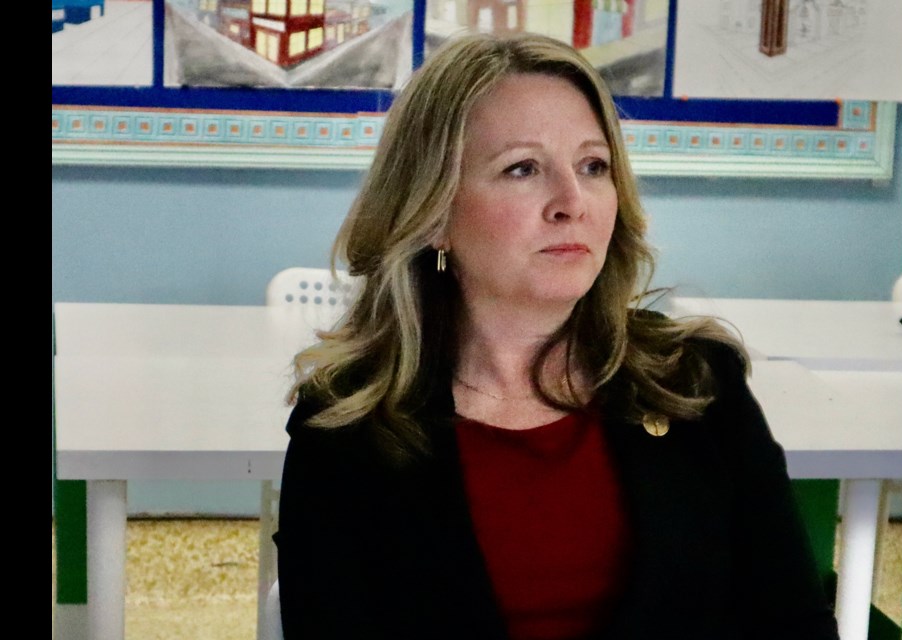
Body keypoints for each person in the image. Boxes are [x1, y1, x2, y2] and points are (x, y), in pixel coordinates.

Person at [273, 32, 840, 640]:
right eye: (523, 168)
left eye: (593, 166)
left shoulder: (698, 382)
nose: (572, 201)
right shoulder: (347, 426)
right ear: (433, 214)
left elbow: (791, 621)